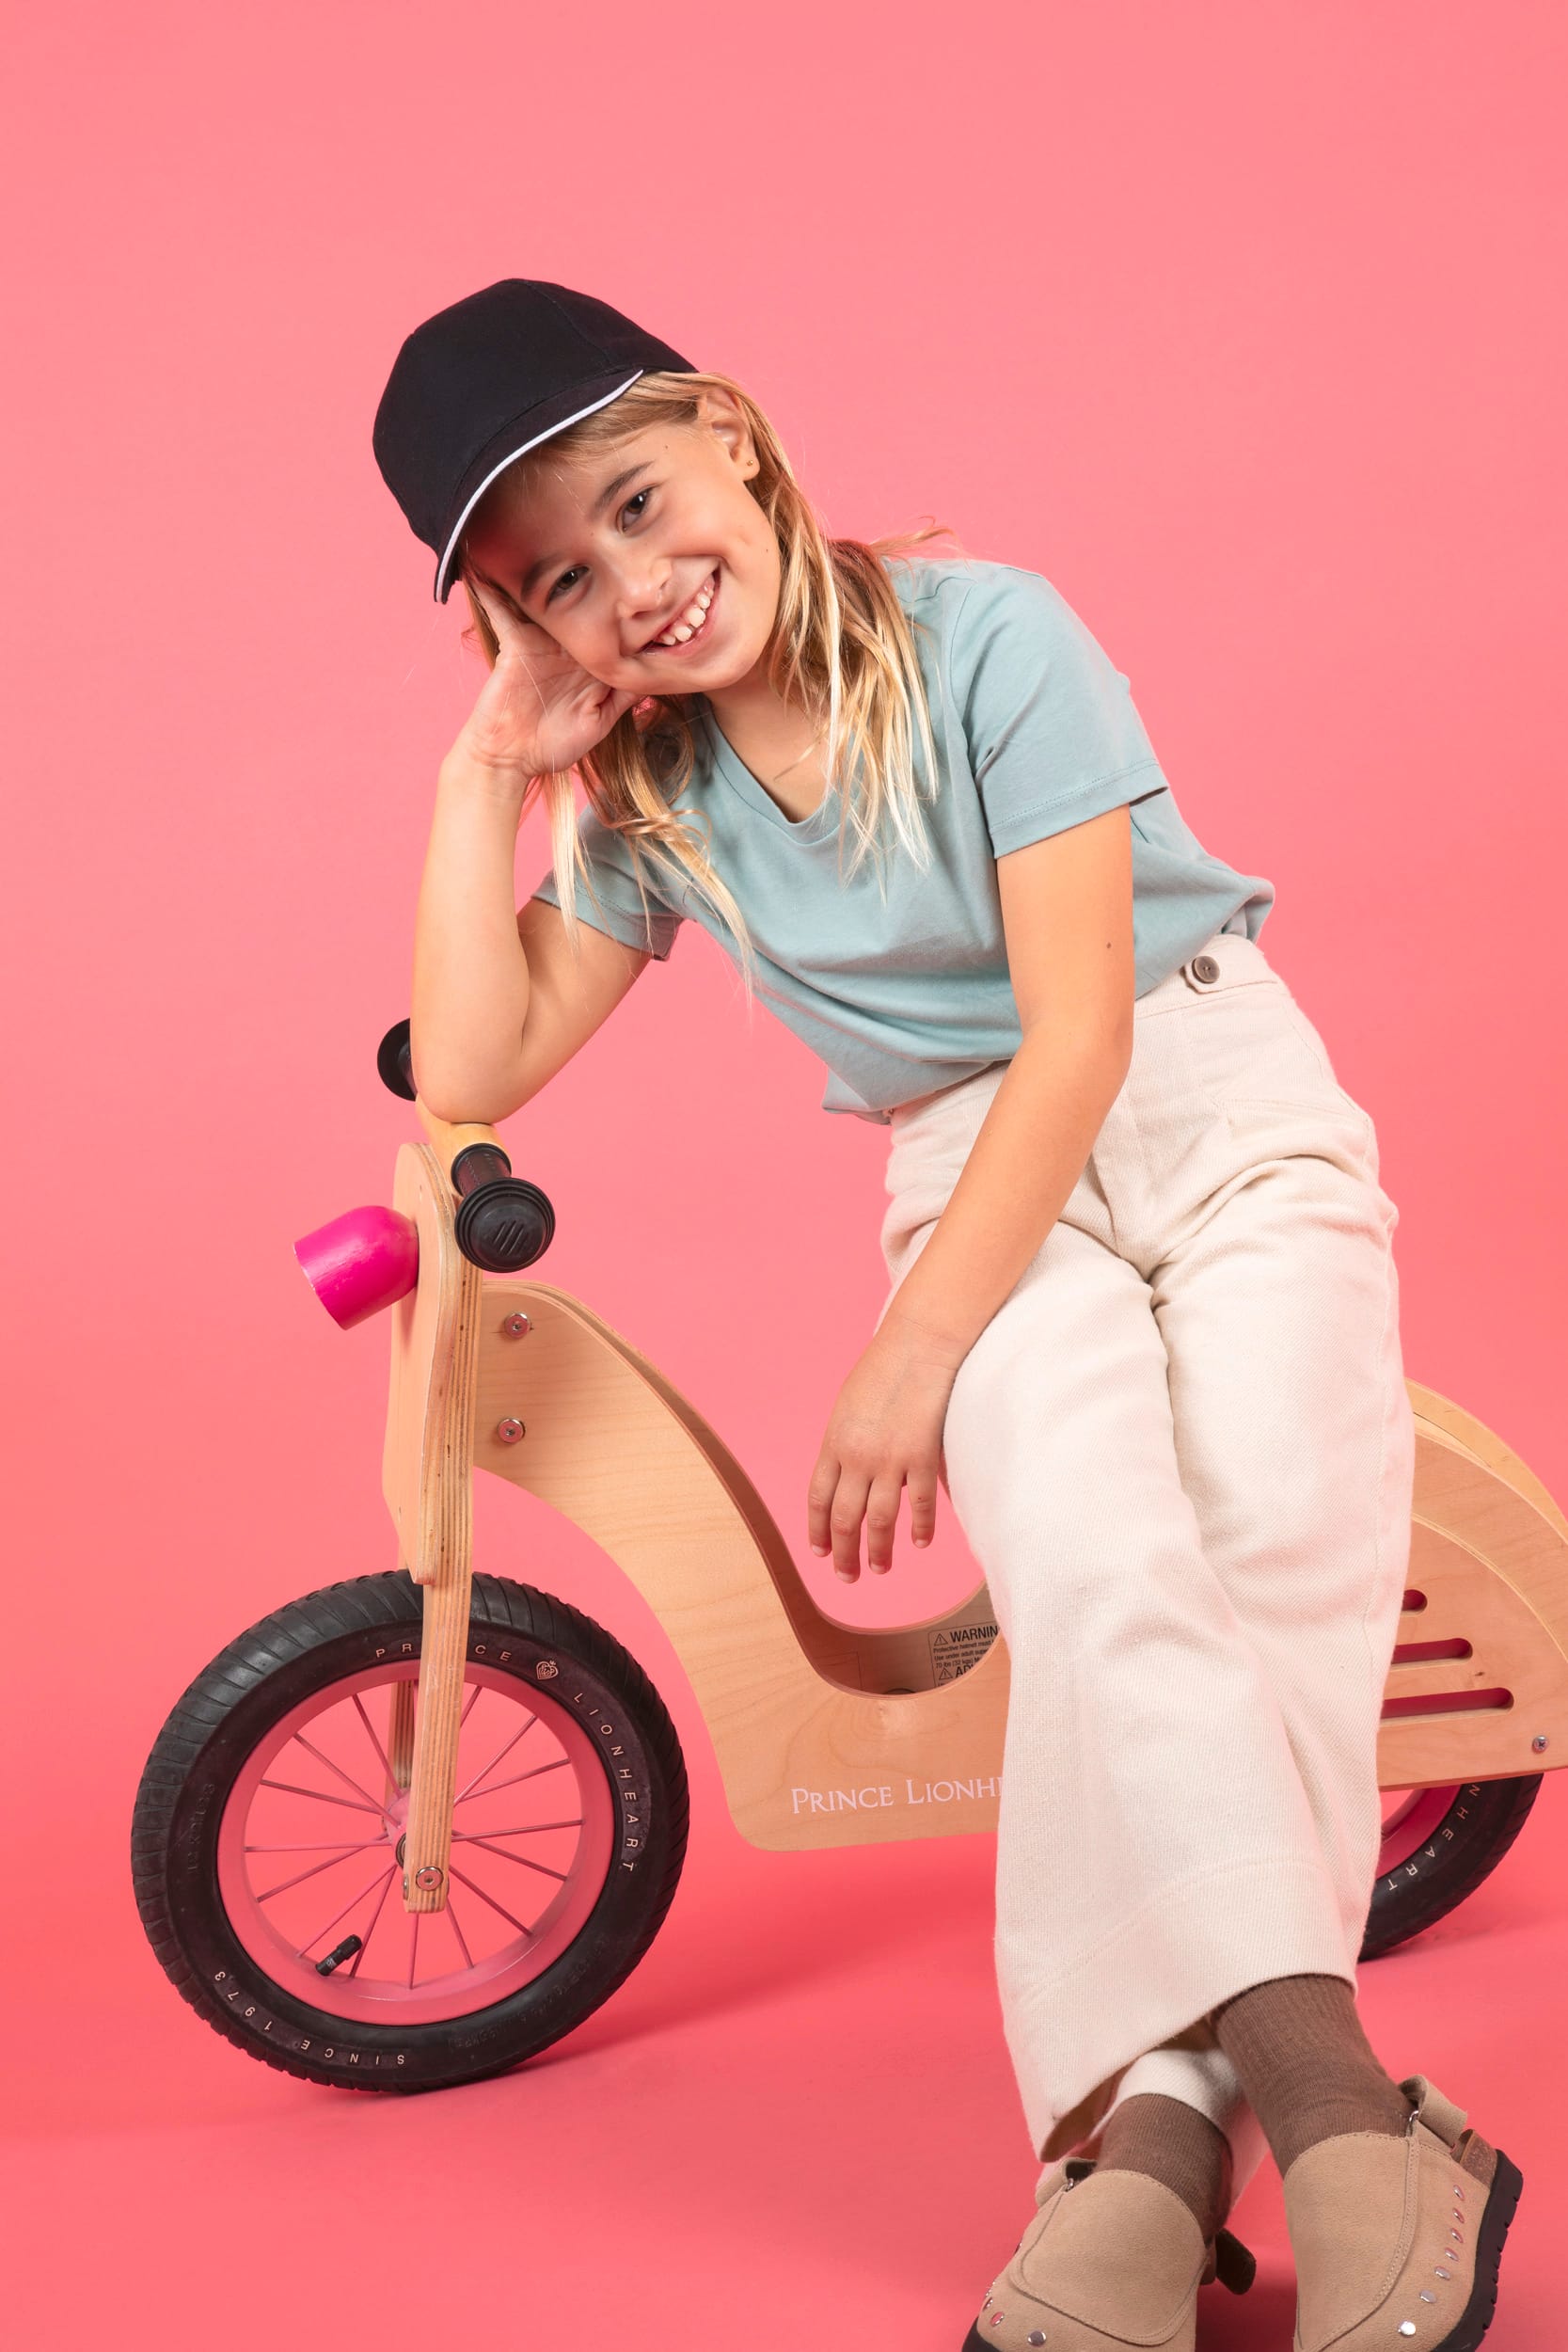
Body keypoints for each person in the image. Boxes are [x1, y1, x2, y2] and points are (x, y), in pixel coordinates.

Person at [372, 279, 1523, 2352]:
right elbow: (473, 1053)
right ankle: (1344, 2111)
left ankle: (1147, 2138)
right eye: (559, 584)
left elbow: (1079, 1028)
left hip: (1205, 1092)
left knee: (1279, 1539)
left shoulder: (988, 634)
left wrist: (912, 1355)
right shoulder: (654, 797)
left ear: (730, 435)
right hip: (972, 1168)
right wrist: (486, 768)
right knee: (1092, 1552)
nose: (635, 586)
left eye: (636, 504)